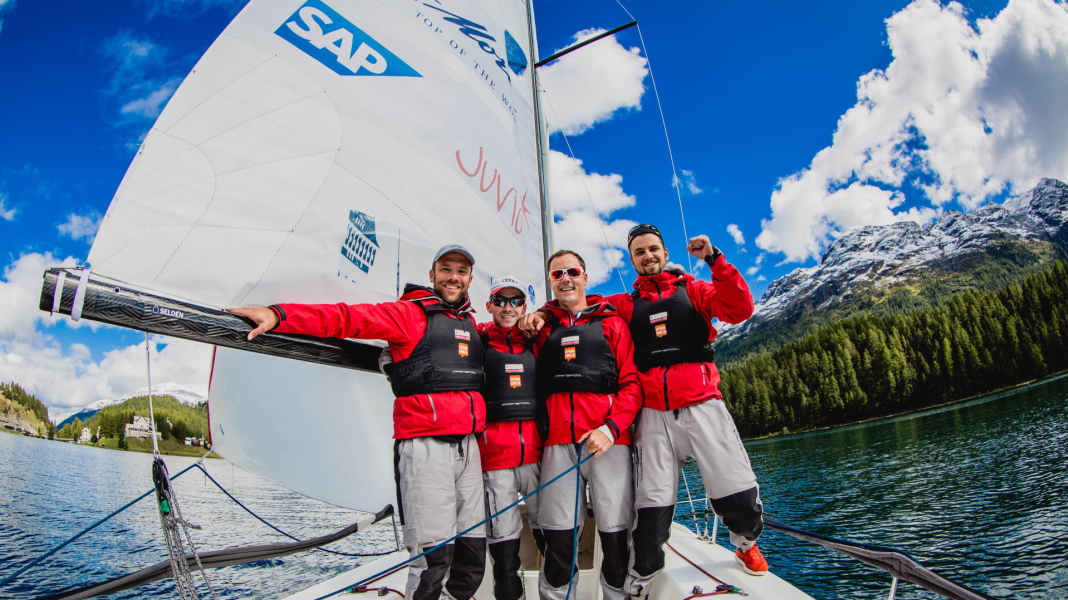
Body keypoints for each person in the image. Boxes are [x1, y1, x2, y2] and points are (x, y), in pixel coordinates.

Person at [228, 245, 488, 600]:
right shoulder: (408, 315)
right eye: (446, 269)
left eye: (461, 271)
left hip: (468, 448)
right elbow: (345, 318)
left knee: (472, 551)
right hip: (426, 445)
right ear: (432, 275)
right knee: (433, 556)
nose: (454, 277)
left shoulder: (471, 323)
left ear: (470, 278)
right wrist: (280, 315)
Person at [519, 224, 767, 594]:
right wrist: (542, 313)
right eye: (639, 252)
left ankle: (745, 543)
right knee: (650, 515)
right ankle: (640, 582)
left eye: (653, 249)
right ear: (632, 260)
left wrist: (715, 260)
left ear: (665, 254)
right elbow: (577, 302)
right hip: (651, 416)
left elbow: (740, 308)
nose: (648, 256)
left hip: (702, 405)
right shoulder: (621, 306)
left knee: (738, 497)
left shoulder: (695, 291)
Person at [531, 250, 641, 600]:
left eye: (572, 271)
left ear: (585, 277)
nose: (565, 278)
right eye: (556, 273)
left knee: (614, 534)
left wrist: (611, 428)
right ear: (551, 281)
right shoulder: (541, 328)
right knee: (559, 538)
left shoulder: (612, 323)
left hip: (608, 442)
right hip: (557, 447)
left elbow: (632, 384)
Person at [477, 275, 544, 600]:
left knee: (550, 532)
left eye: (515, 300)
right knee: (503, 544)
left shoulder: (536, 340)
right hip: (495, 460)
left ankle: (558, 592)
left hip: (537, 457)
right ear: (489, 305)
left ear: (524, 305)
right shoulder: (478, 340)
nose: (508, 307)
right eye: (500, 300)